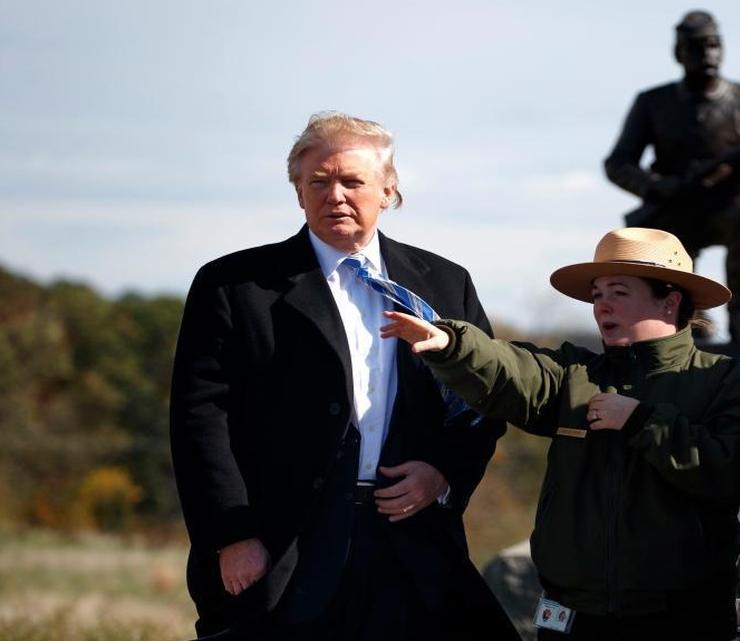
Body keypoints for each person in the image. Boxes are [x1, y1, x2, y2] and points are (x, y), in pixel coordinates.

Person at [170, 111, 517, 640]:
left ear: (388, 190)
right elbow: (200, 421)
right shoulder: (234, 286)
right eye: (318, 182)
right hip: (281, 552)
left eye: (352, 181)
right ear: (298, 192)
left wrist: (443, 473)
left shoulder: (446, 283)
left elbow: (484, 400)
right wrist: (232, 536)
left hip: (410, 545)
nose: (335, 195)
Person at [381, 227, 740, 640]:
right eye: (597, 294)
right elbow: (512, 369)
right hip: (571, 619)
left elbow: (733, 472)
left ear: (670, 300)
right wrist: (453, 344)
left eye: (618, 292)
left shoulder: (724, 381)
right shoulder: (575, 374)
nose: (602, 305)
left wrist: (643, 422)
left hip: (682, 621)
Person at [604, 10, 740, 348]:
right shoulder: (652, 103)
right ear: (679, 54)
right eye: (696, 47)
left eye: (713, 45)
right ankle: (687, 320)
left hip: (729, 205)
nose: (707, 54)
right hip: (674, 207)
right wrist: (656, 187)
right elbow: (617, 163)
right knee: (664, 238)